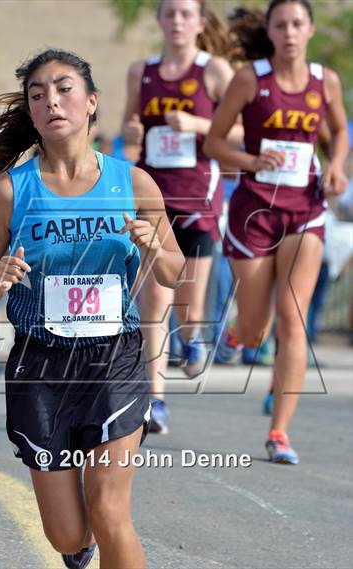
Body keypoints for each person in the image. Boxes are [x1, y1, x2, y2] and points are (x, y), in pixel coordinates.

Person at [0, 49, 184, 569]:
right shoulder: (10, 191)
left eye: (64, 89)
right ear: (31, 111)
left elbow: (173, 271)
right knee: (67, 534)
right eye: (38, 95)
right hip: (39, 368)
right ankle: (77, 547)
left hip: (114, 359)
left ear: (91, 102)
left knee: (111, 510)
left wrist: (154, 248)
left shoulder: (132, 183)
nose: (51, 102)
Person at [204, 0, 349, 464]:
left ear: (309, 30)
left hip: (304, 210)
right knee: (255, 331)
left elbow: (340, 131)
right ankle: (238, 334)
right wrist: (249, 161)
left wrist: (338, 168)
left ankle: (279, 432)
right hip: (254, 213)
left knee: (293, 318)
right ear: (270, 30)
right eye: (280, 24)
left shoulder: (325, 80)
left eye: (297, 24)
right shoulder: (250, 79)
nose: (289, 32)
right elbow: (212, 141)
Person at [122, 0, 239, 434]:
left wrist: (197, 125)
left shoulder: (214, 71)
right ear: (159, 20)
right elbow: (129, 130)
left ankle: (192, 339)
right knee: (154, 300)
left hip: (199, 198)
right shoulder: (142, 71)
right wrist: (132, 133)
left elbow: (243, 130)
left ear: (200, 23)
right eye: (169, 13)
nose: (177, 22)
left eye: (186, 14)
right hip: (155, 196)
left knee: (188, 304)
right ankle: (155, 399)